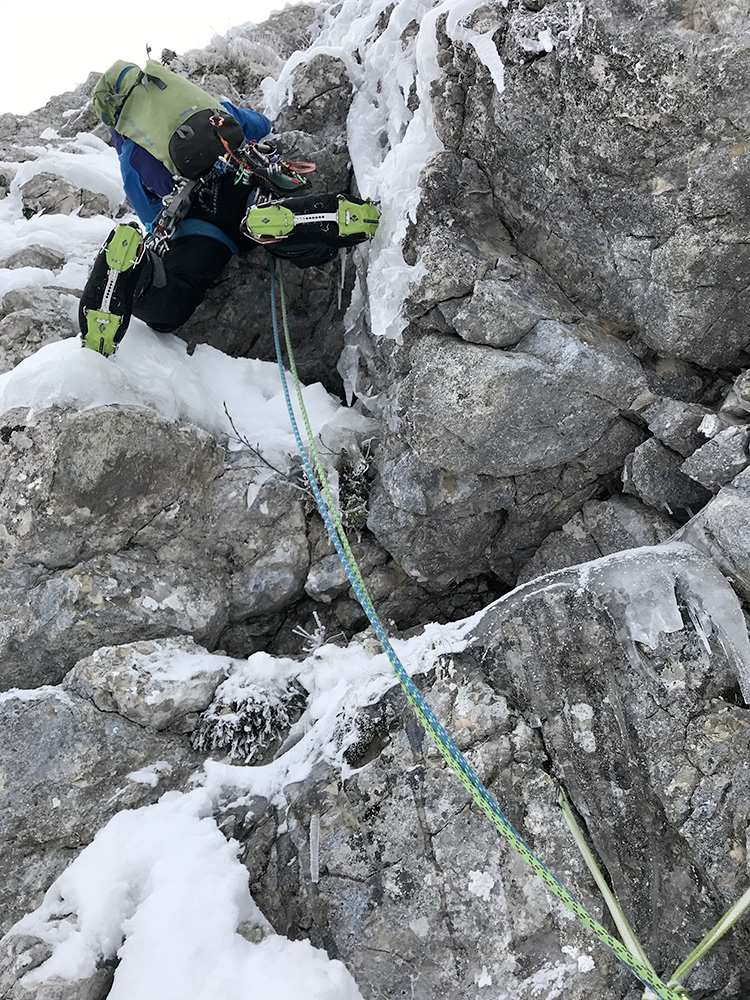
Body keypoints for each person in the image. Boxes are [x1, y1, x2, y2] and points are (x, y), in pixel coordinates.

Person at [79, 71, 378, 354]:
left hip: (201, 227)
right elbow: (261, 124)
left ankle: (136, 268)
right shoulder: (202, 106)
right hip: (245, 182)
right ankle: (295, 217)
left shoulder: (131, 156)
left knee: (172, 306)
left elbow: (152, 217)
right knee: (294, 242)